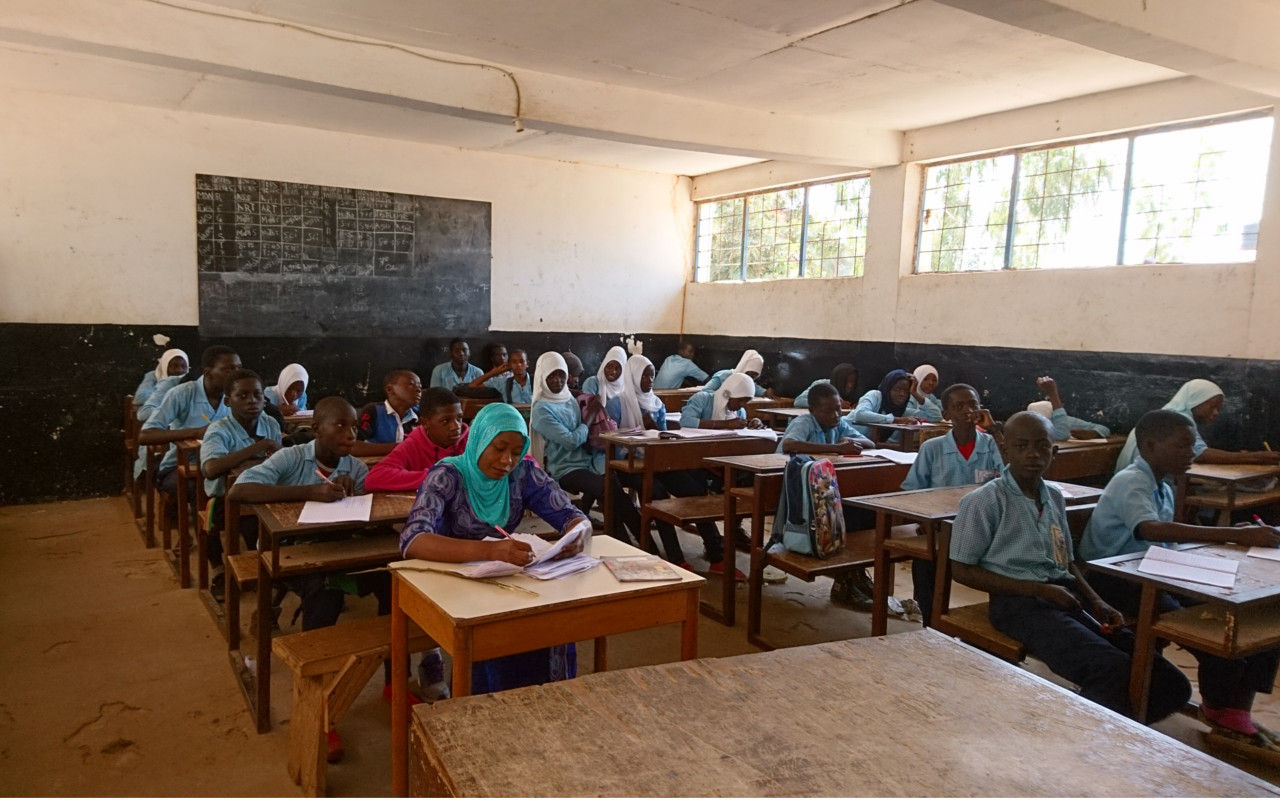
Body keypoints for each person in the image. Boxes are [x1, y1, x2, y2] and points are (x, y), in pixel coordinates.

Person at [950, 411, 1191, 723]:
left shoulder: (1053, 496)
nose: (1032, 455)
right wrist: (1039, 590)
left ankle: (1111, 728)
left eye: (1042, 447)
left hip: (1065, 597)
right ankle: (1090, 736)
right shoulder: (985, 501)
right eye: (1021, 446)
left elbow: (1068, 560)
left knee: (1170, 682)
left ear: (1055, 451)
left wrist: (1097, 601)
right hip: (1018, 604)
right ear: (1004, 449)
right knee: (1110, 669)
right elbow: (961, 569)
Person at [1079, 409, 1280, 747]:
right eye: (1182, 446)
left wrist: (1230, 535)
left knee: (1249, 619)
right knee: (1211, 629)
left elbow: (1167, 541)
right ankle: (1221, 710)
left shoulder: (1164, 485)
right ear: (1150, 446)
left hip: (1152, 572)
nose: (1191, 454)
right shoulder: (1133, 479)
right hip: (1110, 580)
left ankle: (1233, 711)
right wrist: (1230, 534)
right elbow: (1149, 529)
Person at [229, 396, 385, 761]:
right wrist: (309, 492)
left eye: (353, 426)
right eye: (340, 426)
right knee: (323, 595)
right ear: (316, 430)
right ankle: (318, 703)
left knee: (392, 581)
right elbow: (239, 491)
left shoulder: (355, 467)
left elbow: (363, 507)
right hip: (288, 552)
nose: (350, 434)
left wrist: (354, 490)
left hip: (335, 552)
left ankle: (395, 683)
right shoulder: (291, 457)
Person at [399, 402, 589, 693]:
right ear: (479, 440)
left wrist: (575, 532)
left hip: (508, 578)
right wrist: (490, 551)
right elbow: (413, 540)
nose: (507, 461)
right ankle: (487, 706)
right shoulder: (448, 476)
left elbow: (569, 514)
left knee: (553, 621)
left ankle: (550, 702)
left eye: (515, 451)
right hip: (456, 584)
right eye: (499, 448)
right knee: (497, 636)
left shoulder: (522, 473)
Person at [900, 383, 1004, 625]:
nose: (968, 411)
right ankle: (930, 619)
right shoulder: (932, 448)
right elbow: (911, 491)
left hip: (985, 528)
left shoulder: (992, 445)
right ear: (947, 415)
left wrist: (997, 432)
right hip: (941, 528)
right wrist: (923, 519)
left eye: (973, 405)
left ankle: (998, 622)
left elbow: (1010, 479)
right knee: (925, 556)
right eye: (959, 407)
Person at [529, 352, 641, 547]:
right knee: (606, 488)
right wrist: (591, 415)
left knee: (613, 489)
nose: (557, 380)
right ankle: (628, 544)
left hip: (588, 462)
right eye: (552, 376)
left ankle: (638, 543)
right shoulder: (541, 409)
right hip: (564, 468)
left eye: (561, 375)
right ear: (542, 378)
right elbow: (571, 441)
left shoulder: (569, 399)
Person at [198, 369, 282, 598]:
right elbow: (211, 469)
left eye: (257, 395)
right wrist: (259, 446)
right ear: (227, 401)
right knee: (220, 525)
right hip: (224, 500)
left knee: (269, 524)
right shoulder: (219, 429)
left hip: (263, 495)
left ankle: (268, 572)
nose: (252, 401)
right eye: (242, 396)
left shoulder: (271, 423)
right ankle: (219, 571)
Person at [139, 345, 240, 499]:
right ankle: (211, 520)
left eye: (239, 368)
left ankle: (215, 520)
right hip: (180, 465)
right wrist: (195, 432)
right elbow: (145, 436)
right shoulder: (182, 393)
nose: (236, 375)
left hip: (221, 465)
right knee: (207, 488)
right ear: (208, 372)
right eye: (229, 369)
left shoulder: (237, 397)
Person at [1116, 379, 1280, 470]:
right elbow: (1200, 454)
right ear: (1196, 401)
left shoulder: (1171, 414)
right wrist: (1256, 457)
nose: (1216, 412)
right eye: (1212, 406)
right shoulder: (1177, 420)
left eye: (1218, 408)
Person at [365, 387, 468, 492]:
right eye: (445, 421)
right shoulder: (414, 444)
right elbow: (374, 478)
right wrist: (435, 476)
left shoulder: (472, 441)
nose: (456, 426)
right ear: (425, 423)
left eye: (459, 418)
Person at [354, 369, 423, 457]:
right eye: (411, 384)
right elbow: (353, 446)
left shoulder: (421, 414)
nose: (418, 390)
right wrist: (401, 447)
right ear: (389, 389)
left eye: (420, 386)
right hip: (377, 466)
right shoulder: (373, 411)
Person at [1027, 375, 1110, 441]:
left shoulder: (1065, 421)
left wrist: (1092, 433)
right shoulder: (1025, 427)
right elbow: (1061, 435)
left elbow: (1104, 429)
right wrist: (1052, 392)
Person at [849, 368, 921, 440]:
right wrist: (896, 420)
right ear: (888, 388)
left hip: (866, 445)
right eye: (897, 389)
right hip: (844, 435)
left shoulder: (901, 409)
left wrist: (915, 393)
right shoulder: (875, 395)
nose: (902, 394)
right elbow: (860, 414)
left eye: (906, 391)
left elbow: (931, 415)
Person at [680, 373, 767, 430]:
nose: (743, 405)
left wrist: (750, 425)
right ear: (728, 395)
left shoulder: (740, 412)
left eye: (746, 401)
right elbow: (686, 421)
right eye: (740, 400)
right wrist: (726, 424)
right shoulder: (702, 399)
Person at [704, 349, 771, 397]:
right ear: (745, 369)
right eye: (751, 373)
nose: (752, 378)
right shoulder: (723, 376)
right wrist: (725, 396)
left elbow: (760, 391)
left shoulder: (748, 382)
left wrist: (767, 392)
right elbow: (706, 390)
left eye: (755, 376)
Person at [794, 363, 858, 409]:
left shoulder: (856, 391)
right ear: (839, 379)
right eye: (846, 381)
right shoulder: (822, 385)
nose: (850, 385)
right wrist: (830, 403)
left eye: (853, 381)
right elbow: (799, 401)